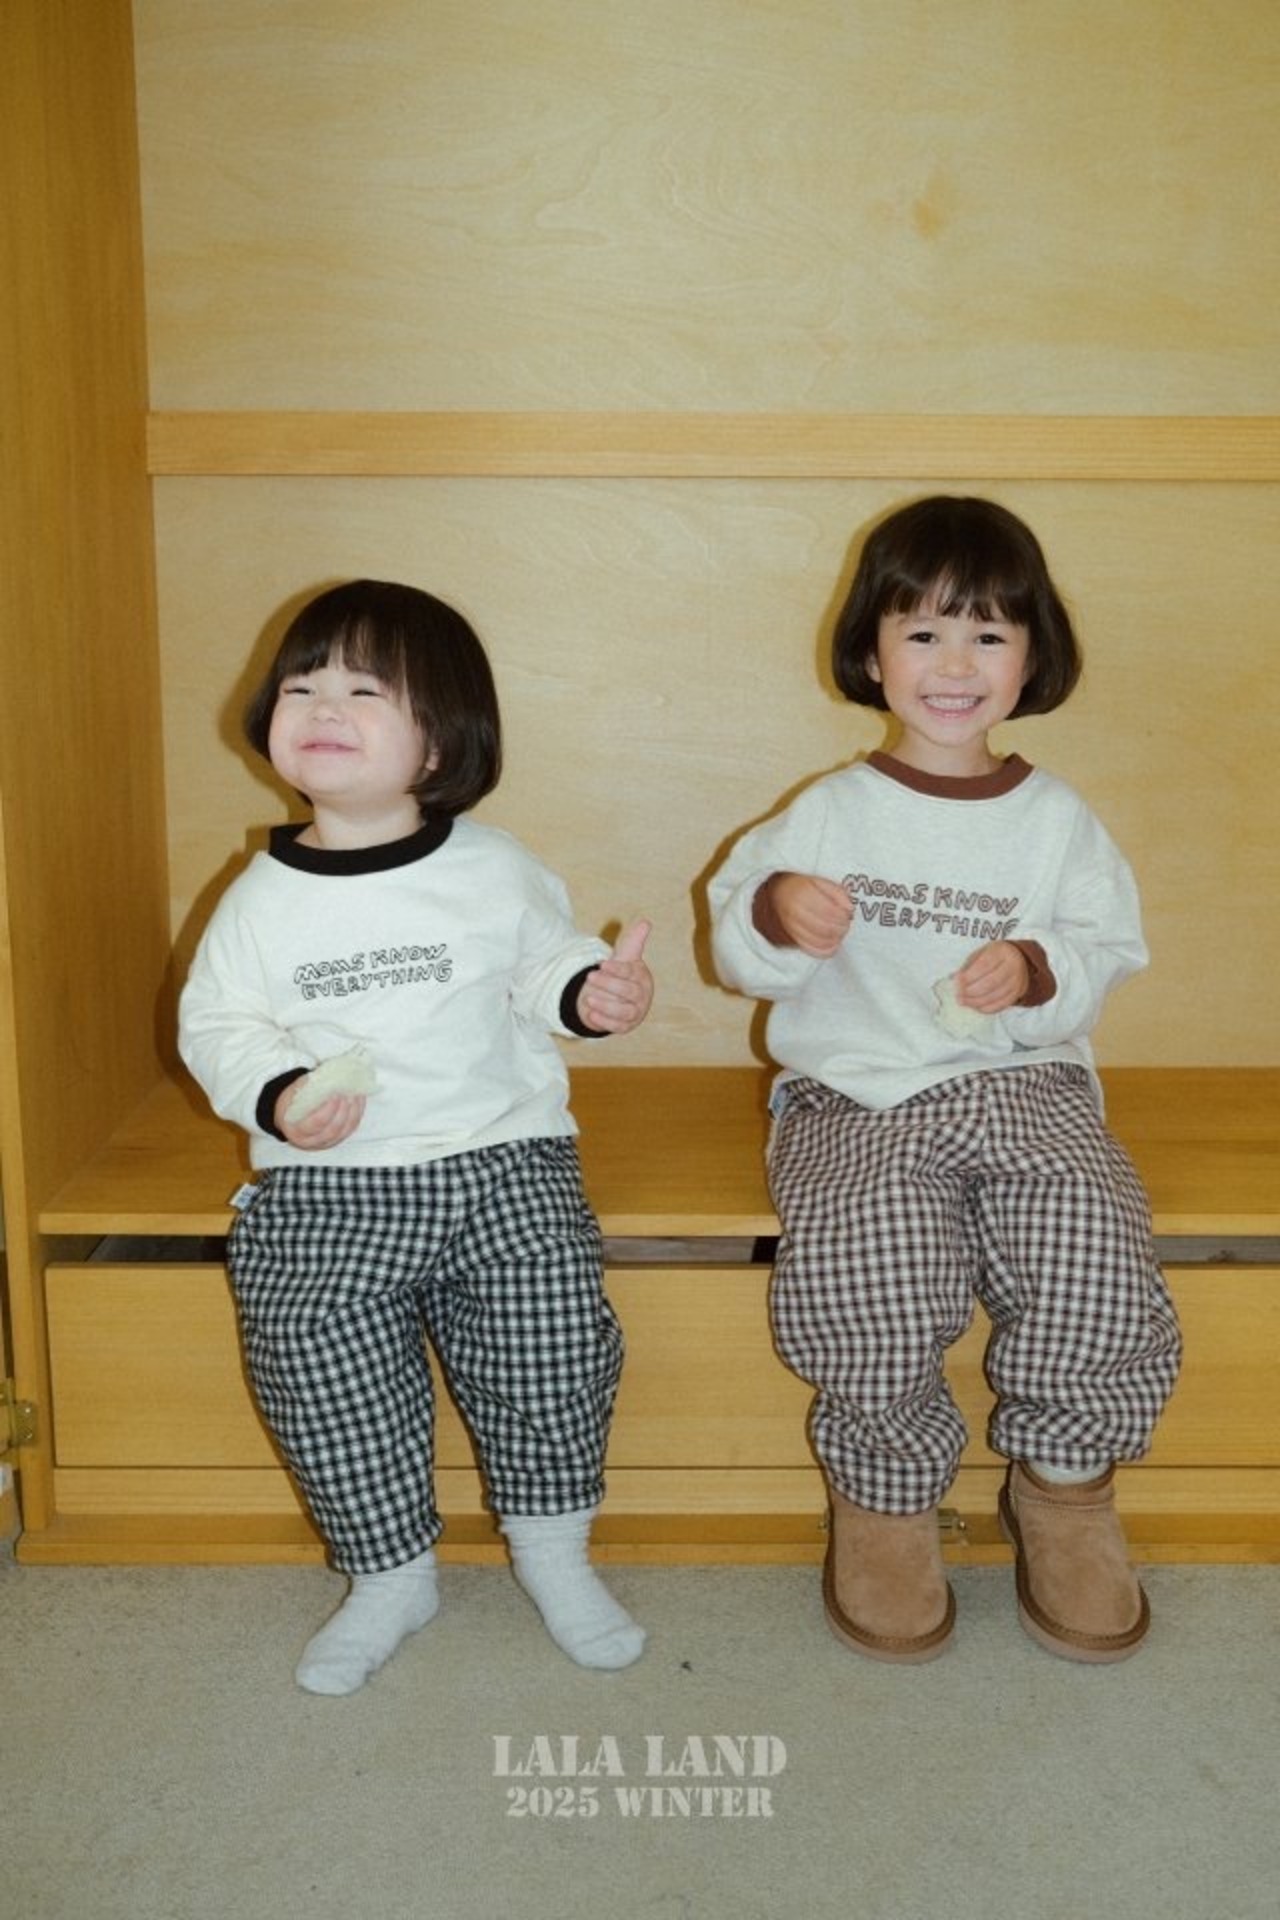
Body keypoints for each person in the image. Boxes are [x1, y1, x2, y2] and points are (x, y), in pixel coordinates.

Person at [708, 496, 1180, 1665]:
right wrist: (776, 911)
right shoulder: (828, 811)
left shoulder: (1055, 820)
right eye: (921, 633)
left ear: (1031, 658)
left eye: (987, 634)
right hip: (855, 1093)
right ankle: (882, 1494)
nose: (954, 664)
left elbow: (1106, 948)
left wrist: (1034, 968)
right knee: (870, 1268)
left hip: (1025, 1083)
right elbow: (735, 942)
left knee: (1092, 1236)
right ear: (871, 654)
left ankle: (1063, 1483)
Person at [180, 579, 653, 1695]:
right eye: (302, 686)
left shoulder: (491, 866)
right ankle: (389, 1573)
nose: (322, 707)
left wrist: (591, 994)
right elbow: (218, 1026)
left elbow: (546, 964)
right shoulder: (257, 900)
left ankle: (552, 1551)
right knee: (316, 1364)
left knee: (550, 1354)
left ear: (440, 740)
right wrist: (280, 1094)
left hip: (503, 1161)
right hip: (330, 1185)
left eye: (365, 690)